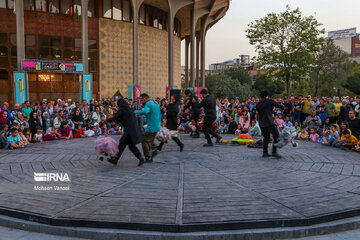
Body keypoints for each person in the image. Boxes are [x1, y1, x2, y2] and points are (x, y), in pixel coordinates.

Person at [107, 99, 145, 166]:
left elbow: (114, 118)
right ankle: (140, 158)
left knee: (123, 144)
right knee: (129, 145)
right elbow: (121, 118)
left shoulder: (122, 110)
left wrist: (106, 120)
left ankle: (115, 159)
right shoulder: (128, 109)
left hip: (129, 131)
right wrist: (116, 112)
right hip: (133, 130)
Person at [256, 90, 284, 158]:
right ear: (267, 96)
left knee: (266, 137)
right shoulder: (269, 101)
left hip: (261, 122)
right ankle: (274, 152)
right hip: (268, 121)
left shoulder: (258, 104)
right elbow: (279, 106)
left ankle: (265, 153)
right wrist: (282, 107)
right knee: (276, 135)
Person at [135, 93, 161, 162]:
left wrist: (136, 112)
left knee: (144, 140)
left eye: (142, 100)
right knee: (150, 140)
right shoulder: (155, 103)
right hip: (157, 125)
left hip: (151, 127)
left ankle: (148, 157)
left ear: (146, 98)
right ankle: (155, 149)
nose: (141, 101)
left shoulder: (148, 103)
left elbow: (145, 111)